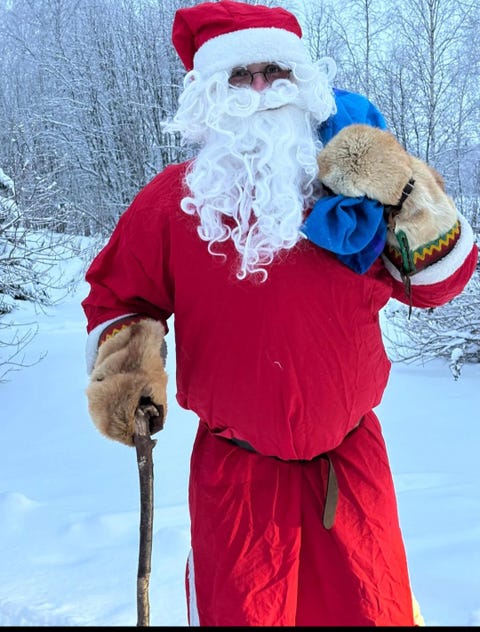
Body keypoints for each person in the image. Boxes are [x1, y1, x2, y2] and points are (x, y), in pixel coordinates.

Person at [81, 0, 478, 626]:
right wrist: (129, 374)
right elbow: (120, 294)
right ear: (211, 95)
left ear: (303, 83)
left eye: (276, 72)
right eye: (241, 76)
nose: (262, 90)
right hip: (238, 486)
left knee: (374, 614)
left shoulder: (353, 198)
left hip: (351, 474)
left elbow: (440, 284)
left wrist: (406, 190)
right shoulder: (173, 203)